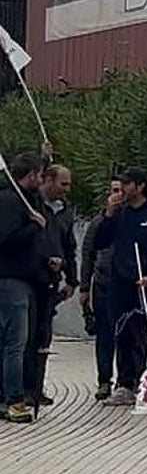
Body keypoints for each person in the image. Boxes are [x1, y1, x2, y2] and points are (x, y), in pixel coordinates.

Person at [94, 168, 147, 407]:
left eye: (127, 185)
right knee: (122, 334)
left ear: (140, 186)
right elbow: (100, 242)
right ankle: (125, 383)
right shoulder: (120, 213)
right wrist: (108, 214)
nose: (122, 190)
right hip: (121, 282)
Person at [0, 152, 48, 424]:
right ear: (29, 176)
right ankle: (14, 399)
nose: (41, 181)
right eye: (39, 176)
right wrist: (34, 228)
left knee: (9, 343)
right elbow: (6, 239)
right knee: (14, 344)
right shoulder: (9, 202)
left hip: (25, 279)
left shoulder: (24, 200)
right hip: (10, 280)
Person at [28, 162, 77, 407]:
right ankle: (22, 388)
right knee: (25, 334)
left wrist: (72, 278)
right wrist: (43, 157)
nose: (67, 189)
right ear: (47, 180)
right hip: (31, 278)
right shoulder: (33, 205)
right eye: (63, 183)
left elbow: (70, 245)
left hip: (53, 280)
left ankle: (37, 387)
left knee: (43, 336)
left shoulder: (65, 211)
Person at [80, 179, 121, 400]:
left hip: (127, 284)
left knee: (128, 335)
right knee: (104, 335)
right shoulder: (98, 222)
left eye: (122, 191)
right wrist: (84, 287)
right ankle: (104, 380)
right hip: (103, 284)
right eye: (114, 191)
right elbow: (87, 254)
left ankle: (128, 380)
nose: (118, 196)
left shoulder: (132, 220)